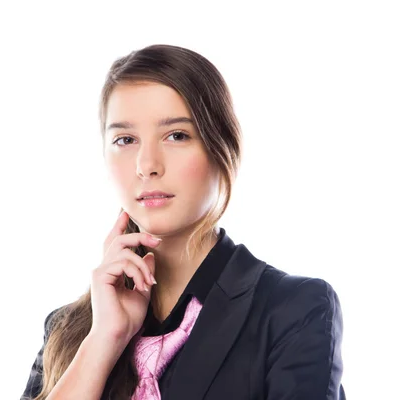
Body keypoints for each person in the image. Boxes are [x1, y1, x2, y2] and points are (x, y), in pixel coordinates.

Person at [20, 44, 346, 400]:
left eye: (176, 135)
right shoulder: (67, 328)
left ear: (222, 150)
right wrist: (104, 340)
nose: (147, 164)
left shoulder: (292, 310)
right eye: (125, 139)